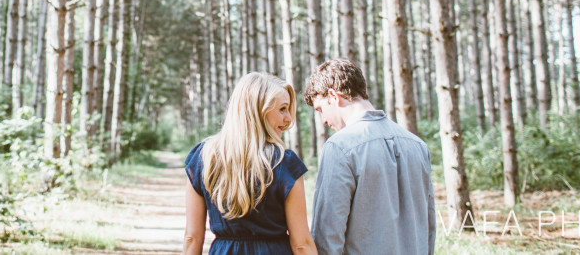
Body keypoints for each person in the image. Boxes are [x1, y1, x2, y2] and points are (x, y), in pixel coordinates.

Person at [302, 58, 436, 255]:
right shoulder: (417, 145)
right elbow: (429, 227)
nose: (323, 120)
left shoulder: (339, 147)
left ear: (333, 96)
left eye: (321, 109)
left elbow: (328, 235)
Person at [183, 72, 316, 255]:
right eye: (282, 109)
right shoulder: (285, 163)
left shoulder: (203, 158)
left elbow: (192, 237)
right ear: (258, 111)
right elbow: (301, 244)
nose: (288, 119)